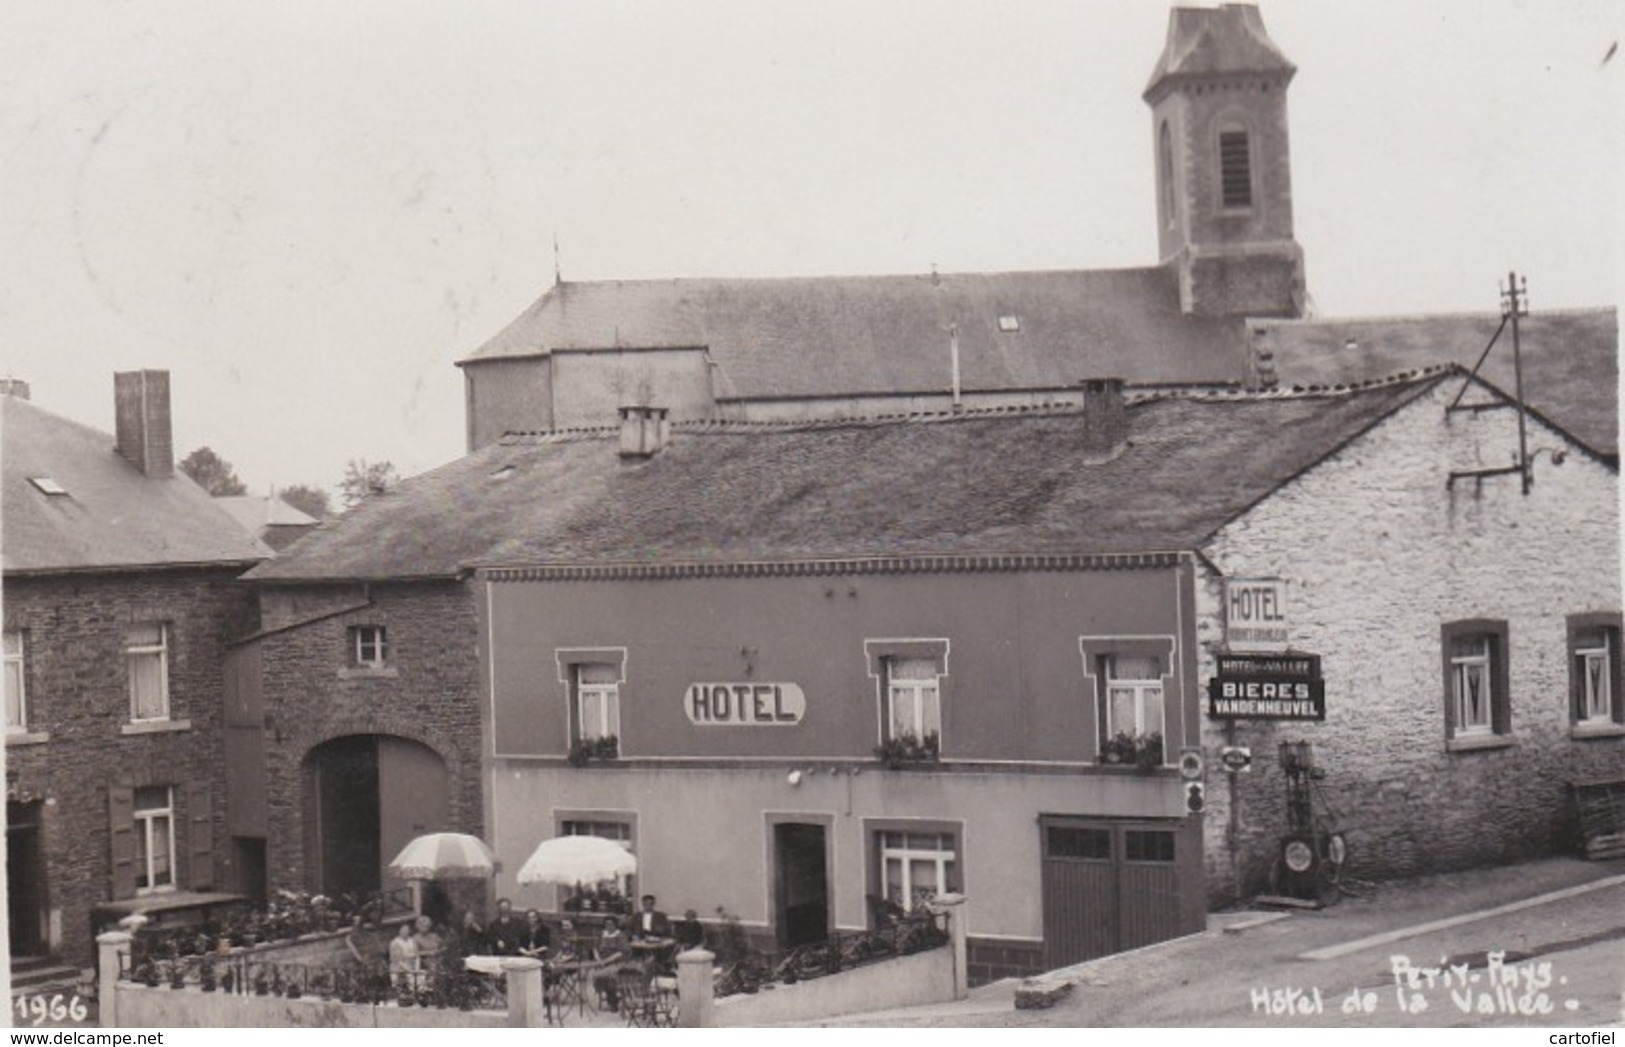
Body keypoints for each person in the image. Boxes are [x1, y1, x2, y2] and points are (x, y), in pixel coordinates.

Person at [388, 922, 420, 991]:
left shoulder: (413, 940)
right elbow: (396, 960)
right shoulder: (395, 942)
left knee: (420, 978)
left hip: (413, 966)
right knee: (409, 978)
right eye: (404, 929)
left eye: (407, 929)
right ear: (399, 930)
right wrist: (409, 970)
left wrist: (417, 968)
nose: (406, 931)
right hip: (399, 967)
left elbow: (417, 956)